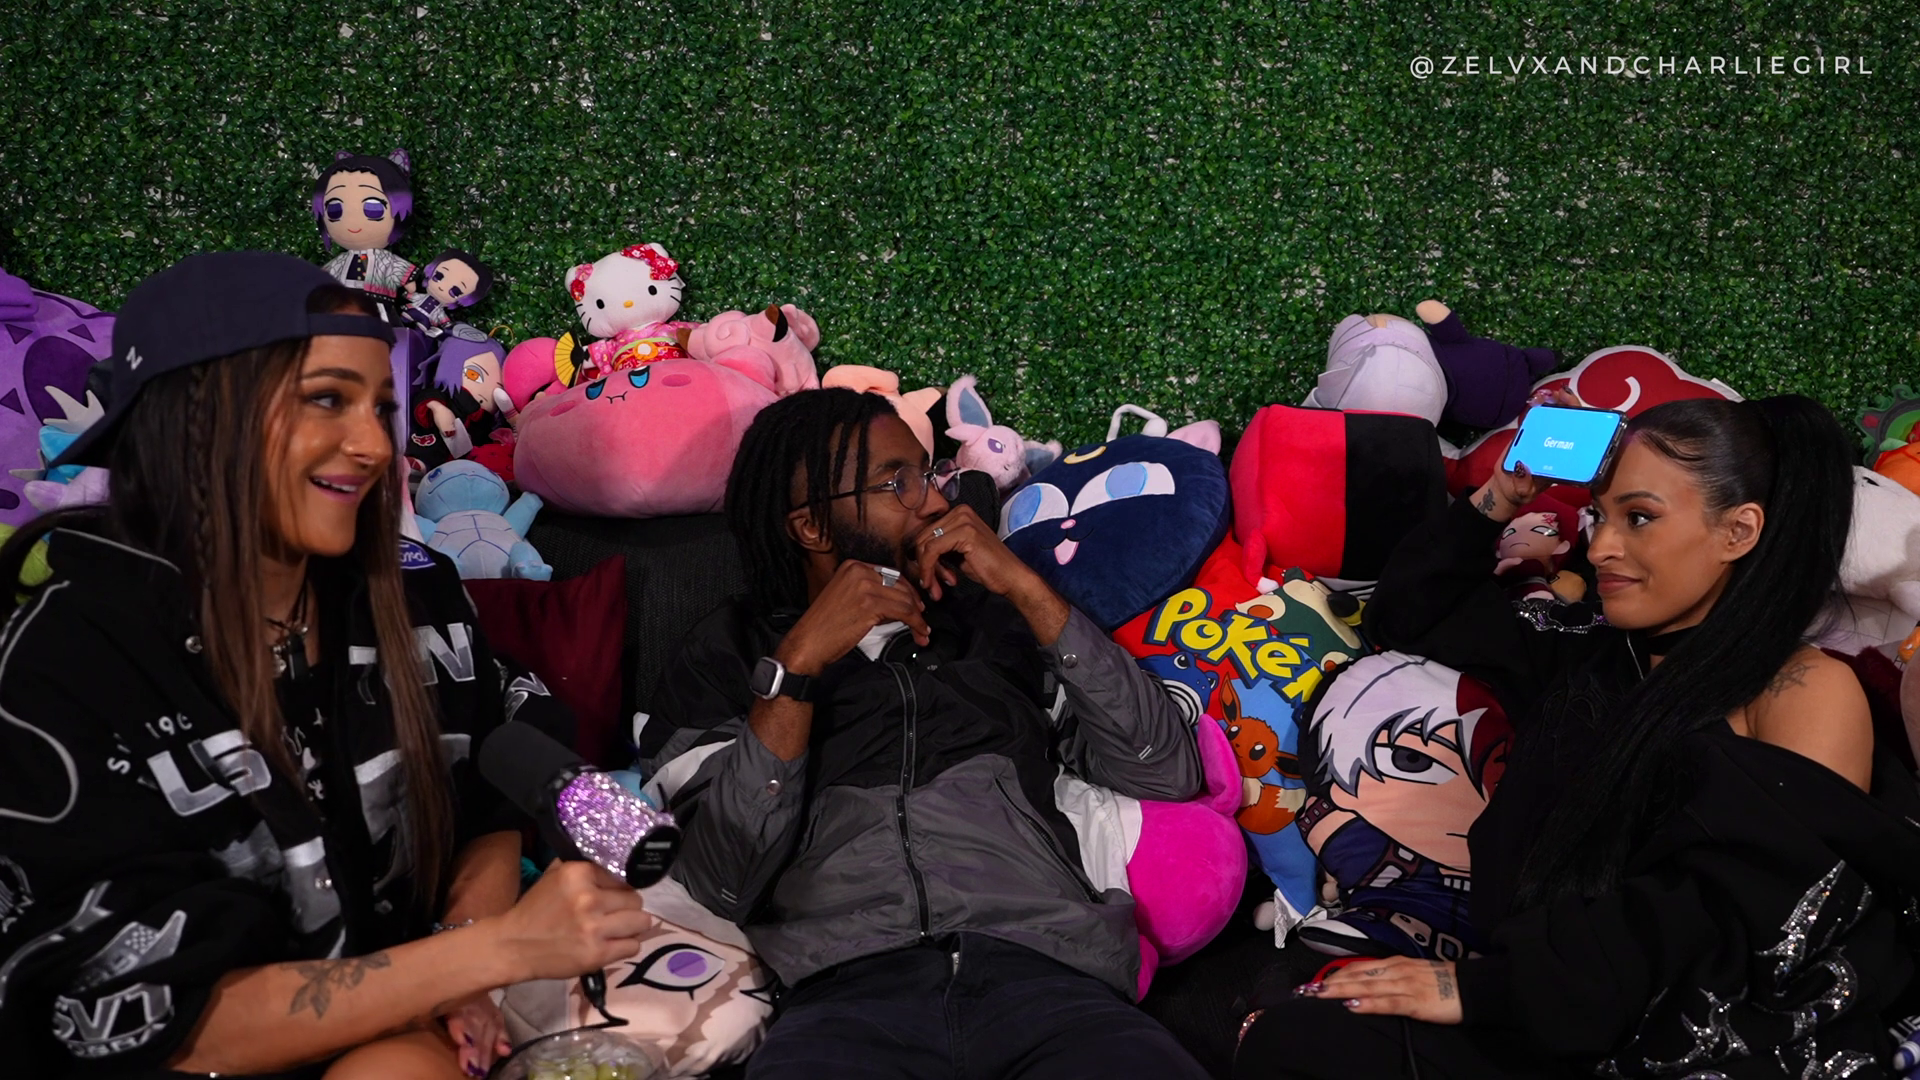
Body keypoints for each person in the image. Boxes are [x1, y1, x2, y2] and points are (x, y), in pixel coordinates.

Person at [0, 252, 649, 1080]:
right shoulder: (61, 665)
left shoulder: (418, 593)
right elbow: (144, 1019)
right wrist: (495, 951)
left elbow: (489, 791)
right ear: (197, 416)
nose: (376, 445)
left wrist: (460, 961)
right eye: (328, 400)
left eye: (383, 407)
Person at [1235, 392, 1920, 1079]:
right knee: (1294, 1036)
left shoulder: (1800, 687)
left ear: (1737, 532)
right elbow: (1411, 612)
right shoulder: (1588, 651)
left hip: (1686, 1031)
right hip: (1535, 1009)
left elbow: (1757, 911)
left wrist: (1479, 988)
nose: (1601, 546)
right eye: (1599, 514)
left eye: (1639, 517)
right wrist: (1503, 493)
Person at [643, 388, 1210, 1079]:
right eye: (898, 483)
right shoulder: (731, 653)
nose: (937, 501)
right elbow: (721, 881)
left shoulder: (994, 624)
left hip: (1047, 974)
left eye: (929, 472)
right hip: (845, 998)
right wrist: (796, 671)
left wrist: (1026, 591)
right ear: (813, 528)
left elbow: (1163, 770)